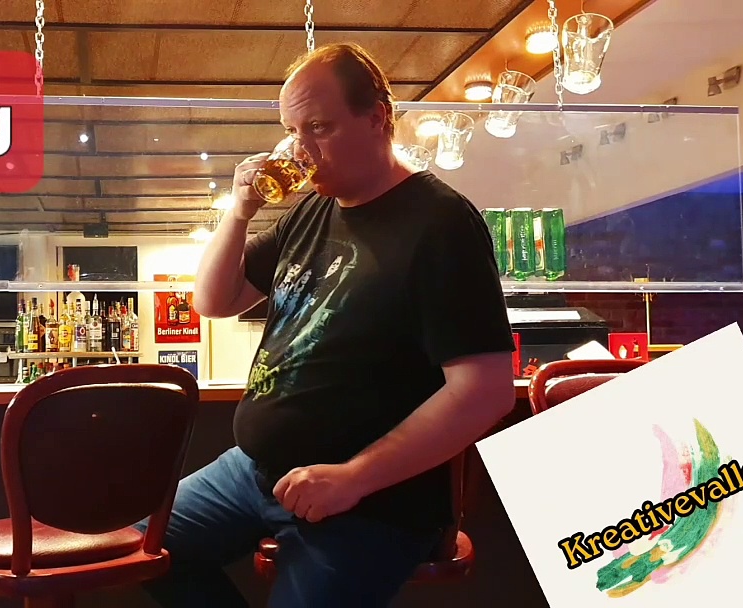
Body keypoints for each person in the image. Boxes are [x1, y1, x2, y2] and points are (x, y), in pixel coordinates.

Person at [135, 42, 518, 607]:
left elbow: (485, 391)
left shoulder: (441, 223)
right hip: (253, 472)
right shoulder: (314, 208)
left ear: (378, 117)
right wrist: (237, 212)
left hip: (372, 502)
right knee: (141, 551)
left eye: (319, 127)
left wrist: (354, 477)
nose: (303, 152)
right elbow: (214, 300)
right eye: (294, 132)